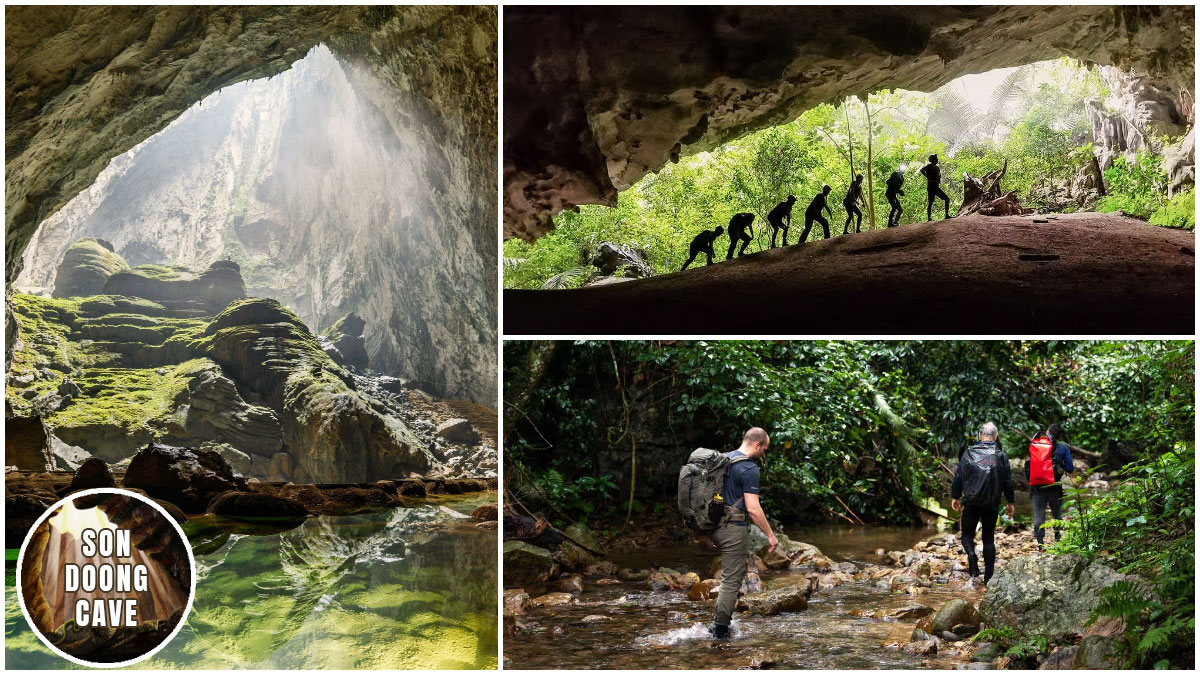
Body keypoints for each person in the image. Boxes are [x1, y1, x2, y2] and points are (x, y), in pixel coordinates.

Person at [710, 427, 778, 640]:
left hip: (715, 525)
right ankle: (719, 630)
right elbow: (753, 508)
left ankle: (719, 624)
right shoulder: (749, 468)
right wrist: (770, 535)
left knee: (729, 577)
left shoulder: (722, 460)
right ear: (757, 445)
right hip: (734, 528)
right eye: (764, 449)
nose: (763, 454)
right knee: (732, 579)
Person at [951, 422, 1015, 585]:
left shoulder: (969, 453)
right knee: (988, 539)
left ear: (980, 436)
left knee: (967, 534)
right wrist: (1010, 502)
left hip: (971, 502)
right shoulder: (1000, 455)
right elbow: (1008, 480)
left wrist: (955, 496)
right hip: (991, 503)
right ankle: (989, 576)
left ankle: (972, 555)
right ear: (995, 437)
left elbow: (959, 476)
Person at [1025, 423, 1075, 551]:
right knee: (1057, 514)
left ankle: (1040, 546)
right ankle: (1057, 542)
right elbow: (1070, 468)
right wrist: (1059, 464)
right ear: (1058, 436)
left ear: (1047, 432)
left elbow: (1029, 465)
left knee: (1038, 516)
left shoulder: (1035, 446)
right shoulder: (1063, 448)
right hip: (1054, 487)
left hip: (1037, 488)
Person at [920, 154, 951, 221]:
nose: (937, 160)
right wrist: (927, 177)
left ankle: (946, 215)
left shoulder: (937, 168)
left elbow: (938, 175)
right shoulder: (928, 166)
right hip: (931, 186)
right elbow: (922, 170)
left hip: (935, 186)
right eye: (936, 159)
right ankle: (929, 218)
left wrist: (938, 179)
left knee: (945, 199)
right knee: (931, 202)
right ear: (932, 160)